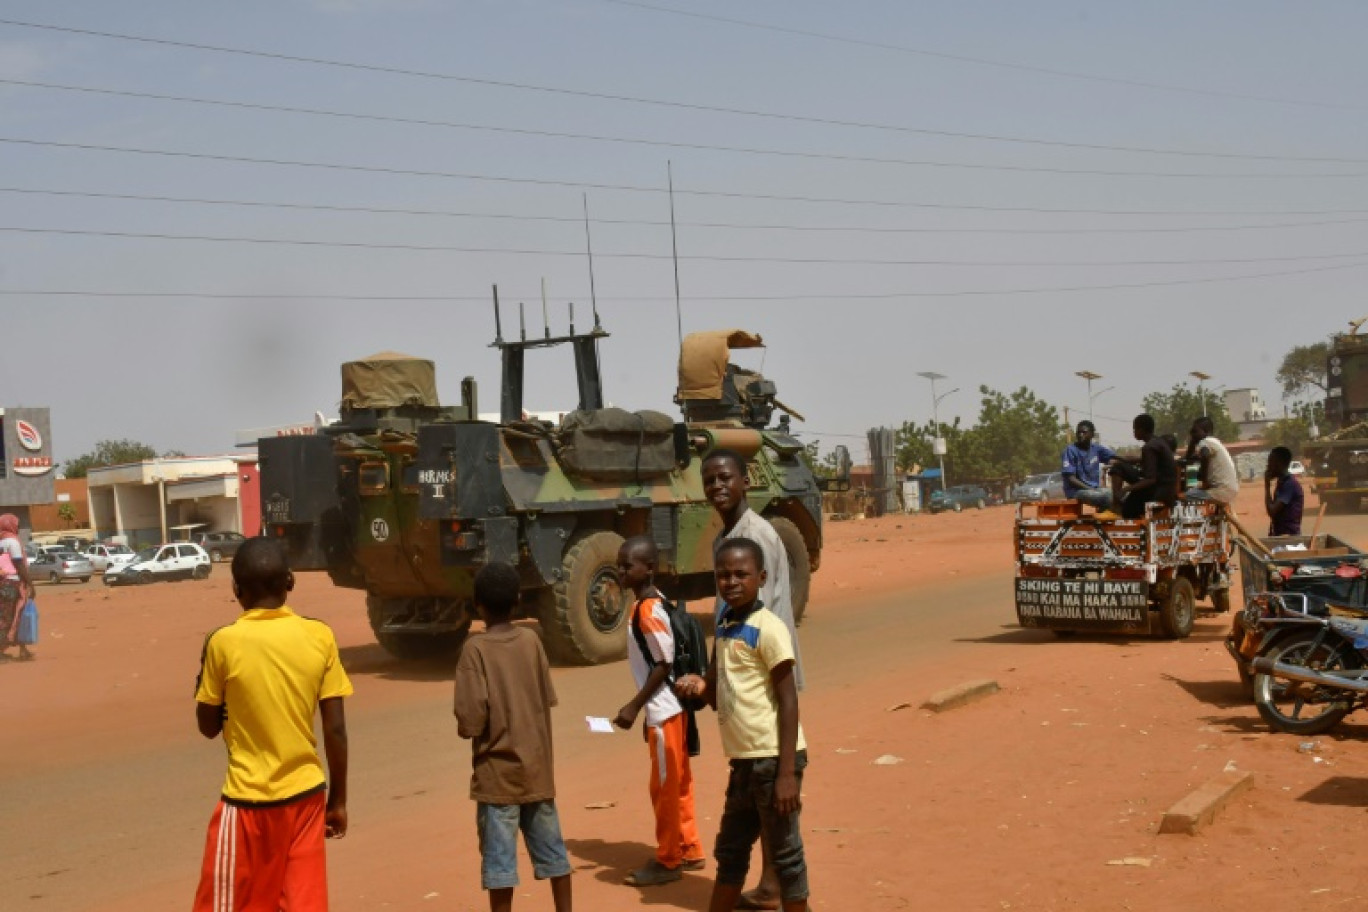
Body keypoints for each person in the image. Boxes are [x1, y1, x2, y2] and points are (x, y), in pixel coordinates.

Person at [193, 537, 351, 912]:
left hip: (248, 801)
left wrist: (205, 675)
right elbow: (336, 729)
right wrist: (339, 800)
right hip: (307, 799)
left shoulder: (223, 643)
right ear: (290, 583)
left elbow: (207, 726)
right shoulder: (319, 635)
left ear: (236, 589)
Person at [676, 538, 810, 912]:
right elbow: (722, 696)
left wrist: (786, 774)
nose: (731, 582)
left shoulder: (769, 628)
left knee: (786, 856)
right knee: (731, 850)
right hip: (743, 762)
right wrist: (700, 687)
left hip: (773, 759)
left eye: (741, 574)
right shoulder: (724, 625)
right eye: (722, 575)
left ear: (761, 578)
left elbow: (788, 700)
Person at [702, 448, 803, 909]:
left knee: (777, 816)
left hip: (767, 672)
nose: (718, 486)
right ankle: (769, 884)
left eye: (726, 478)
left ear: (745, 481)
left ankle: (775, 884)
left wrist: (761, 666)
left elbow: (774, 609)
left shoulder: (757, 535)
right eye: (710, 480)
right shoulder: (727, 537)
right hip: (742, 674)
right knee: (753, 814)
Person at [454, 562, 572, 912]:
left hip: (497, 778)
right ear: (518, 600)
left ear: (478, 605)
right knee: (555, 858)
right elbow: (545, 698)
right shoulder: (532, 641)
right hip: (537, 772)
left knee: (500, 869)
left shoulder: (475, 651)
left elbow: (470, 722)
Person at [612, 536, 705, 886]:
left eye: (628, 565)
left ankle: (668, 860)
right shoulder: (656, 602)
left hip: (665, 711)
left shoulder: (647, 610)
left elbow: (663, 663)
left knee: (664, 788)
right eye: (619, 564)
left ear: (648, 568)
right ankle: (689, 846)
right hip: (670, 710)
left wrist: (634, 707)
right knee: (679, 782)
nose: (621, 571)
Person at [1101, 414, 1179, 521]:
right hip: (1167, 488)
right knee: (1120, 466)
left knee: (1117, 468)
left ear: (1141, 430)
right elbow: (1148, 461)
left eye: (1135, 429)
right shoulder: (1159, 442)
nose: (1134, 432)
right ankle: (1118, 505)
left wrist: (1125, 489)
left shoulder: (1149, 447)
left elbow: (1150, 479)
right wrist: (1125, 459)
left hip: (1157, 490)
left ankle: (1116, 506)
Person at [0, 514, 35, 661]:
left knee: (16, 616)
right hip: (12, 583)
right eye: (17, 524)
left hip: (4, 582)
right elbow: (18, 564)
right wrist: (30, 583)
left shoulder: (2, 542)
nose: (19, 527)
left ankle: (23, 649)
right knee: (10, 617)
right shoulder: (12, 542)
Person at [1183, 417, 1239, 505]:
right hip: (1230, 489)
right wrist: (1193, 441)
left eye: (1195, 431)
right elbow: (1189, 458)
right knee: (1197, 478)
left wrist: (1205, 482)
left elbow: (1204, 456)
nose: (1192, 434)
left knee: (1184, 496)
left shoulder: (1205, 442)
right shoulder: (1215, 442)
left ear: (1206, 431)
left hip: (1220, 491)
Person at [1060, 421, 1116, 509]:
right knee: (1104, 497)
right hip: (1076, 491)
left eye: (1084, 432)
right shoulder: (1070, 450)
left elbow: (1114, 459)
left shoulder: (1096, 449)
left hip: (1094, 489)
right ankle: (1106, 513)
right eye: (1078, 432)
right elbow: (1071, 478)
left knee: (1115, 494)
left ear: (1092, 434)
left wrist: (1133, 461)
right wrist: (1091, 489)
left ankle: (1108, 513)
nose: (1080, 435)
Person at [1266, 446, 1305, 536]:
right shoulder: (1282, 482)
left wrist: (1267, 486)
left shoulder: (1289, 484)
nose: (1268, 466)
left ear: (1278, 464)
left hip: (1289, 537)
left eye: (1270, 462)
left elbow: (1272, 511)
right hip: (1280, 535)